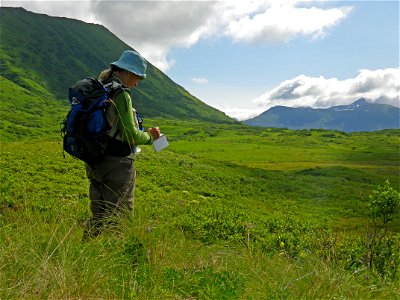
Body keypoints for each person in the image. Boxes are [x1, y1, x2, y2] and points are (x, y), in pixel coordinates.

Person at [83, 50, 160, 239]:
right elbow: (129, 134)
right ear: (129, 73)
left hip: (95, 160)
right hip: (117, 165)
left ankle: (85, 254)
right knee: (120, 216)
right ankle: (118, 261)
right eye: (137, 78)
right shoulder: (121, 94)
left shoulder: (102, 87)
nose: (137, 83)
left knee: (99, 214)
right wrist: (151, 137)